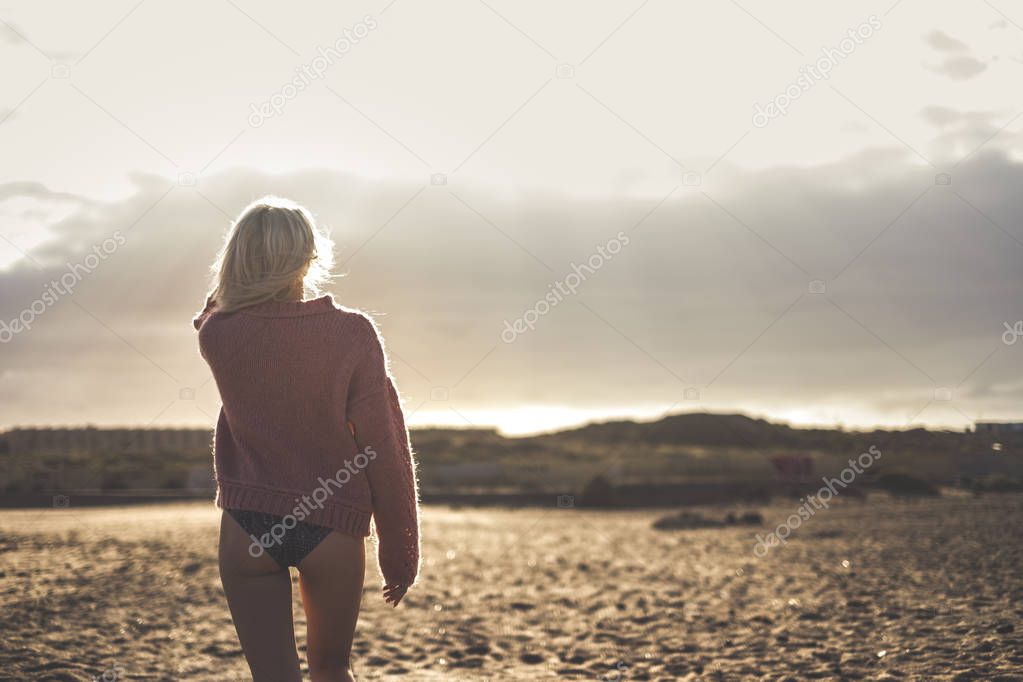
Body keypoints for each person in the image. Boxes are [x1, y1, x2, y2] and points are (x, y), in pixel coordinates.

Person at [192, 196, 419, 682]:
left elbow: (210, 309)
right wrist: (400, 548)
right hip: (333, 522)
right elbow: (382, 448)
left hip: (248, 523)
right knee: (331, 670)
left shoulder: (217, 335)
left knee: (272, 678)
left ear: (237, 259)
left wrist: (238, 277)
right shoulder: (354, 334)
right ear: (311, 257)